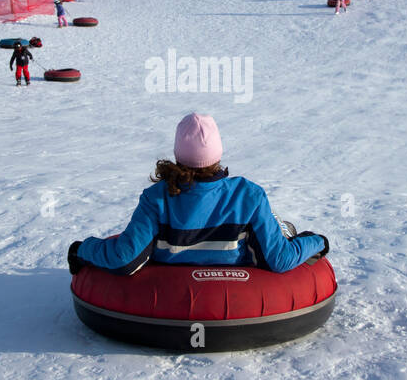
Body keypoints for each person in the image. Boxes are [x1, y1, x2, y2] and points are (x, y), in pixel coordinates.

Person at [67, 113, 328, 276]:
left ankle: (286, 229)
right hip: (239, 279)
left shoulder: (157, 197)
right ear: (217, 154)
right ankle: (289, 231)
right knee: (280, 230)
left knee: (278, 228)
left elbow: (124, 257)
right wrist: (317, 241)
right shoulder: (248, 194)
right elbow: (280, 259)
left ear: (179, 153)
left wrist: (82, 249)